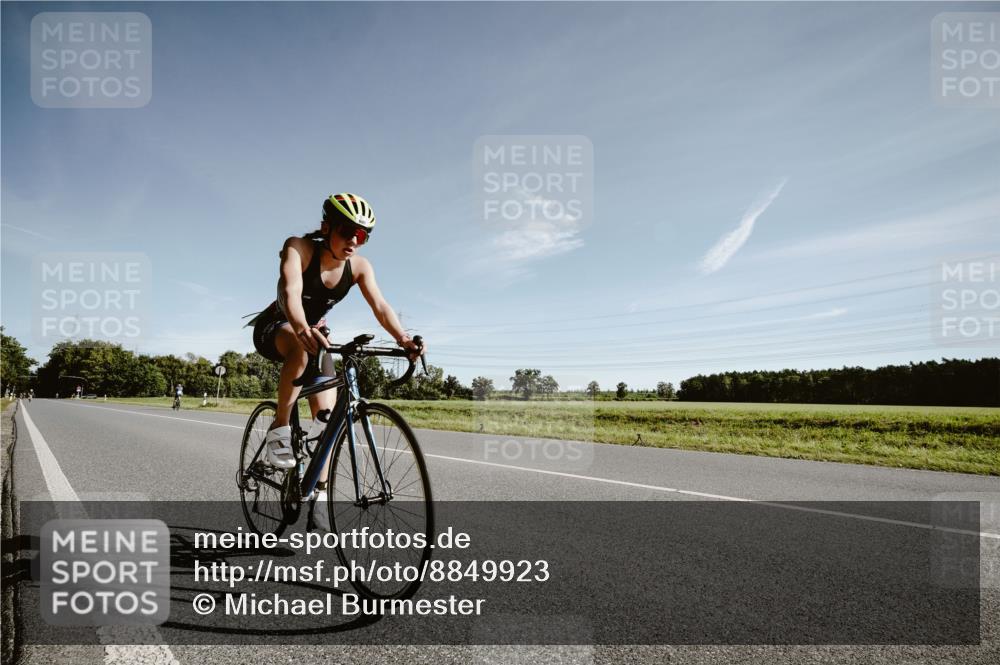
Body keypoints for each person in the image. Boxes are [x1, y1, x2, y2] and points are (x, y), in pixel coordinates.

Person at [248, 193, 424, 500]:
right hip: (277, 327)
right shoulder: (298, 248)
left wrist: (404, 339)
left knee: (327, 419)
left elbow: (380, 306)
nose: (354, 241)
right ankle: (280, 427)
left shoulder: (359, 267)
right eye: (347, 231)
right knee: (301, 347)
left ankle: (318, 494)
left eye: (362, 236)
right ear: (326, 228)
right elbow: (290, 292)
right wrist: (302, 328)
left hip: (315, 336)